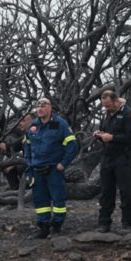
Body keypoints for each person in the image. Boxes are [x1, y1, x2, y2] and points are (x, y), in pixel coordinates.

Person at [24, 98, 79, 239]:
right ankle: (43, 228)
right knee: (40, 201)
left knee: (57, 199)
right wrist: (29, 163)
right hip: (36, 169)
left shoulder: (60, 124)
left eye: (43, 105)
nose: (40, 108)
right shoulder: (32, 126)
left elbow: (72, 145)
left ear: (50, 108)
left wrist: (63, 163)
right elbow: (27, 146)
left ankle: (56, 227)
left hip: (54, 169)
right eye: (38, 106)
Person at [93, 90, 131, 232]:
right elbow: (104, 130)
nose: (106, 109)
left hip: (122, 158)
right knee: (106, 192)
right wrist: (99, 134)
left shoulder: (128, 114)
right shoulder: (106, 114)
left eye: (109, 106)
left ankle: (127, 223)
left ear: (116, 101)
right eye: (104, 106)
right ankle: (104, 222)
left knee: (125, 191)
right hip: (107, 157)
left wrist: (112, 138)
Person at [0, 112, 34, 190]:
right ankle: (16, 191)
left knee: (20, 166)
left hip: (37, 167)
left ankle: (29, 188)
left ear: (32, 121)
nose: (20, 123)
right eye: (20, 120)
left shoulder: (40, 134)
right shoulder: (25, 137)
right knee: (7, 166)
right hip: (27, 165)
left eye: (23, 121)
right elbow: (8, 147)